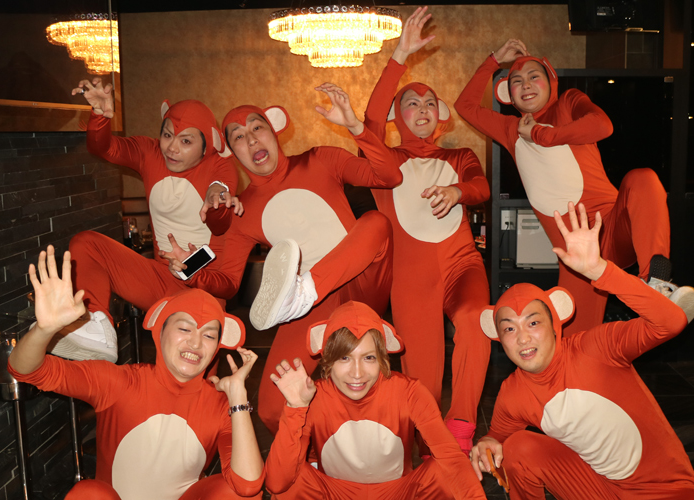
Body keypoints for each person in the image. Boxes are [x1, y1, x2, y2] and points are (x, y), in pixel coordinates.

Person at [455, 39, 694, 336]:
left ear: (550, 82)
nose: (525, 84)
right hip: (577, 257)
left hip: (613, 229)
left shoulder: (568, 102)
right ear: (509, 96)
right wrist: (494, 60)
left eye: (534, 76)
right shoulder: (509, 130)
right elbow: (464, 106)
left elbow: (602, 125)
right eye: (516, 81)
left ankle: (656, 283)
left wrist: (541, 134)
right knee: (575, 345)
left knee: (643, 178)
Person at [200, 84, 400, 434]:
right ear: (230, 151)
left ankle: (302, 292)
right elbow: (227, 283)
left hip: (361, 284)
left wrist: (355, 126)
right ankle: (318, 445)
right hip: (313, 304)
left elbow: (389, 176)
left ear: (275, 128)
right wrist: (188, 269)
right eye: (239, 136)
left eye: (257, 127)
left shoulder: (321, 159)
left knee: (376, 223)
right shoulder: (242, 211)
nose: (252, 139)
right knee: (272, 407)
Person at [469, 202, 694, 499]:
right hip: (600, 489)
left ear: (555, 324)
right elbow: (496, 437)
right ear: (498, 338)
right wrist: (486, 442)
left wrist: (600, 270)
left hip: (665, 490)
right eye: (509, 329)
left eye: (533, 323)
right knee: (517, 449)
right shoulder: (514, 393)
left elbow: (671, 321)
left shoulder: (596, 347)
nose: (522, 338)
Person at [8, 246, 264, 499]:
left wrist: (238, 397)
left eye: (208, 335)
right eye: (185, 329)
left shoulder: (221, 405)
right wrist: (44, 330)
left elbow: (248, 485)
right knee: (89, 494)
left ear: (218, 346)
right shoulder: (120, 382)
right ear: (159, 330)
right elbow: (26, 371)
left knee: (233, 492)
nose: (196, 343)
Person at [361, 7, 491, 454]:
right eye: (410, 103)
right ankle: (427, 444)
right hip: (410, 278)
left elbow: (481, 186)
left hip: (462, 265)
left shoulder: (460, 157)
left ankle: (463, 426)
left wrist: (458, 191)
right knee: (423, 378)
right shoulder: (385, 164)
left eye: (429, 102)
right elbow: (368, 126)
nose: (421, 108)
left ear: (441, 115)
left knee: (475, 321)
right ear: (396, 117)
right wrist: (399, 56)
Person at [54, 78, 243, 363]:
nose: (172, 148)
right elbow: (103, 148)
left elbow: (220, 202)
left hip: (203, 289)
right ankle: (97, 327)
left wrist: (217, 196)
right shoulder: (148, 152)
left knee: (190, 379)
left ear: (208, 145)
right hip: (159, 279)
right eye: (167, 135)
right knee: (85, 244)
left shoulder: (220, 163)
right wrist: (100, 117)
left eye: (186, 141)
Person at [265, 300, 487, 500]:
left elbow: (450, 457)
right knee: (291, 480)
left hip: (400, 493)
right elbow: (277, 483)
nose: (357, 373)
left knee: (445, 471)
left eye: (369, 358)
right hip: (332, 493)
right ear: (328, 360)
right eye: (344, 358)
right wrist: (295, 408)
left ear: (382, 358)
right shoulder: (313, 396)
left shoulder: (410, 392)